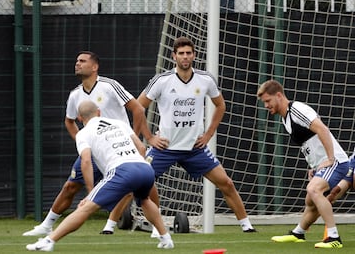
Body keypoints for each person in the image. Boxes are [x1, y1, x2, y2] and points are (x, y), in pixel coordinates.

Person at [137, 36, 256, 234]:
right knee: (143, 180)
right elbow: (138, 107)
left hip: (194, 149)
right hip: (165, 147)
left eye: (188, 53)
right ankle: (157, 226)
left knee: (226, 182)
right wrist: (150, 138)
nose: (185, 57)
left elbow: (220, 105)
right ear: (173, 55)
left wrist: (208, 134)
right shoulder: (162, 80)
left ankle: (246, 225)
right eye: (181, 53)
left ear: (194, 55)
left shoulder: (205, 79)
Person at [25, 100, 174, 251]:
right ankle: (166, 238)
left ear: (80, 118)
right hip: (145, 168)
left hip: (122, 170)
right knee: (145, 200)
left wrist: (90, 192)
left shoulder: (83, 133)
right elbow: (141, 147)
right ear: (99, 112)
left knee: (86, 208)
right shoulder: (119, 123)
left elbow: (86, 161)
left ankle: (49, 241)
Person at [23, 51, 142, 236]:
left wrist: (133, 137)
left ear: (94, 67)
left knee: (135, 187)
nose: (77, 63)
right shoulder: (75, 95)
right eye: (77, 60)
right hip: (95, 152)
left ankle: (116, 227)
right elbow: (69, 121)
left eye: (82, 61)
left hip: (119, 150)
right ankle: (46, 225)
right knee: (70, 186)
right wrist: (83, 142)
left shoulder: (110, 86)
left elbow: (137, 108)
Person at [257, 79, 349, 249]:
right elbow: (310, 144)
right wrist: (314, 167)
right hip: (323, 164)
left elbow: (322, 129)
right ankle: (298, 233)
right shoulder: (286, 118)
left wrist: (330, 159)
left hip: (336, 162)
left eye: (268, 101)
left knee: (314, 190)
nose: (266, 106)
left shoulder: (297, 109)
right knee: (311, 201)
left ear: (279, 95)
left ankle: (334, 237)